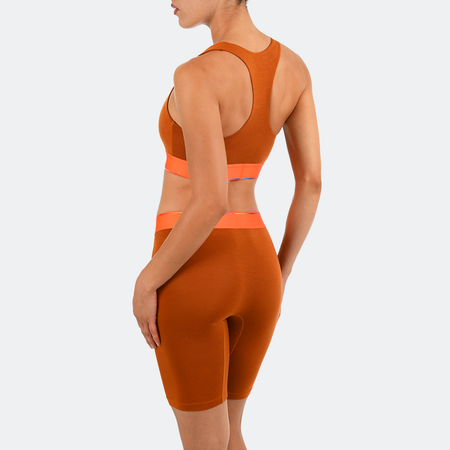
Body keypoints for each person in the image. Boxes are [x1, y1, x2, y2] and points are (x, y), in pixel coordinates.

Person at [132, 0, 321, 448]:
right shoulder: (294, 68)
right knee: (231, 436)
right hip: (259, 271)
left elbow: (211, 200)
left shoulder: (196, 74)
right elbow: (311, 183)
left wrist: (147, 280)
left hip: (193, 271)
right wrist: (279, 274)